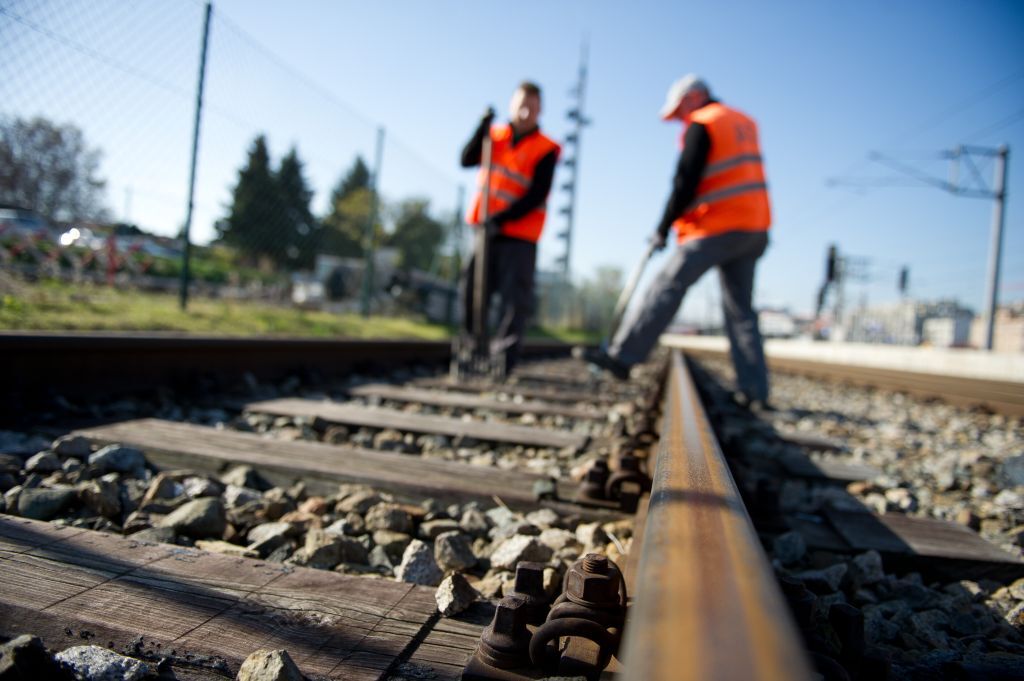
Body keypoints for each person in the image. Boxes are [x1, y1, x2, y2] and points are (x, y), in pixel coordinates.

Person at [585, 74, 772, 407]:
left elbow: (684, 182)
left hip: (715, 225)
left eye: (679, 110)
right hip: (754, 226)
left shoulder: (703, 122)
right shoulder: (743, 121)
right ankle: (755, 390)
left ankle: (623, 356)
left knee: (668, 284)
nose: (680, 119)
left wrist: (662, 227)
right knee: (741, 311)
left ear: (693, 97)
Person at [459, 81, 561, 372]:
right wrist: (481, 127)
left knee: (514, 300)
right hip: (484, 231)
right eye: (521, 104)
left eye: (532, 106)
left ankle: (503, 359)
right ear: (512, 105)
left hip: (519, 236)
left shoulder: (546, 148)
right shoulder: (493, 136)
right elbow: (466, 159)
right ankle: (473, 350)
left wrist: (501, 219)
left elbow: (537, 193)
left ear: (540, 110)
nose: (526, 111)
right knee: (473, 291)